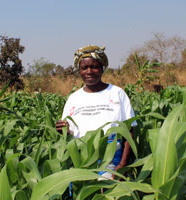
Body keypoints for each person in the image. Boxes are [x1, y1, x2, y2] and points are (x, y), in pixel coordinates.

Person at [56, 45, 136, 180]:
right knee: (83, 198)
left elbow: (130, 130)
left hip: (109, 157)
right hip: (80, 156)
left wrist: (122, 164)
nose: (89, 71)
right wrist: (62, 130)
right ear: (79, 71)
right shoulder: (73, 98)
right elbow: (68, 132)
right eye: (84, 68)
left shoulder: (117, 93)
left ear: (102, 68)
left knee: (105, 197)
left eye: (94, 67)